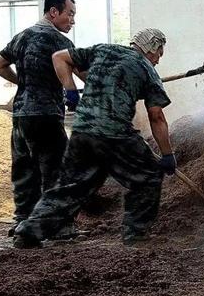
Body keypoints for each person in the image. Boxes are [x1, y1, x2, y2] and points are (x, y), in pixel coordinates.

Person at [13, 28, 176, 248]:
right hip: (115, 135)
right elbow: (156, 116)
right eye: (159, 54)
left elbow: (59, 57)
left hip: (81, 132)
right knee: (148, 175)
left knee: (69, 186)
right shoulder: (147, 70)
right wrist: (167, 155)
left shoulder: (103, 50)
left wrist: (69, 89)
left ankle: (29, 230)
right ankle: (135, 233)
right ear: (152, 48)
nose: (158, 60)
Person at [0, 0, 79, 236]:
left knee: (24, 170)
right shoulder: (58, 41)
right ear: (54, 12)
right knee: (58, 168)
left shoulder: (21, 37)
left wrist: (23, 83)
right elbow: (81, 72)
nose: (72, 21)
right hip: (46, 115)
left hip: (21, 116)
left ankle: (22, 221)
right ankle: (59, 225)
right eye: (69, 14)